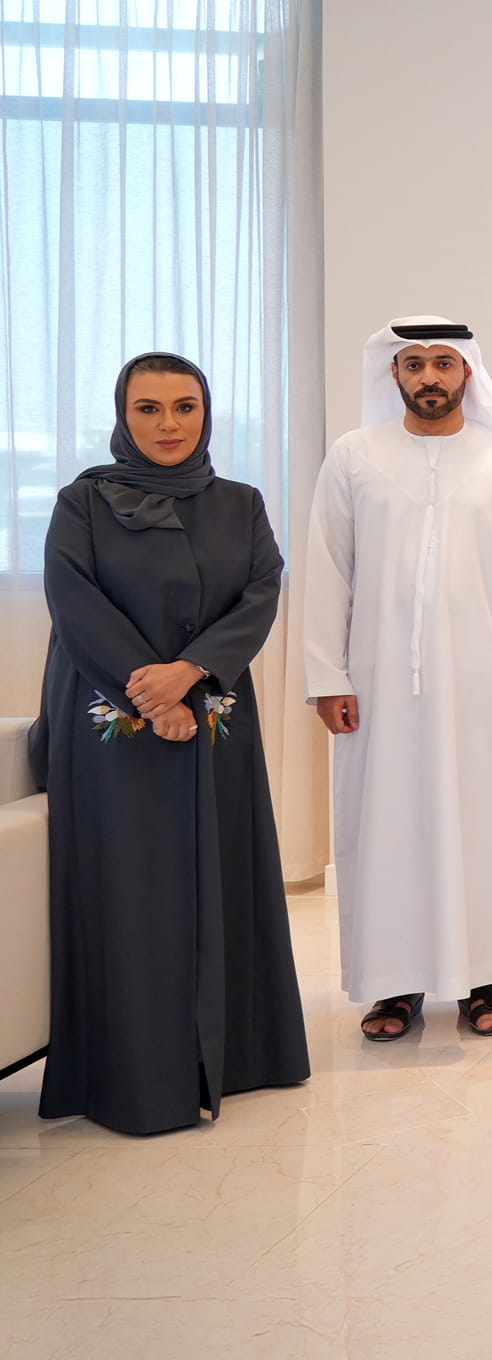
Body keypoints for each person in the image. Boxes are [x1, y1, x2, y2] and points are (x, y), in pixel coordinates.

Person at [33, 353, 309, 1134]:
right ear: (124, 417)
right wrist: (147, 695)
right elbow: (73, 600)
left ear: (206, 413)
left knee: (223, 871)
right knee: (131, 891)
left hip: (214, 710)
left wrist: (189, 674)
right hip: (107, 719)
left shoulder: (241, 504)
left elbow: (260, 594)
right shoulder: (81, 501)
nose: (168, 424)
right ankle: (135, 1077)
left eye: (184, 407)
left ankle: (239, 1057)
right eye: (148, 409)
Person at [303, 317, 492, 1043]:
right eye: (413, 364)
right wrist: (327, 676)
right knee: (386, 827)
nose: (429, 377)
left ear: (467, 372)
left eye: (443, 363)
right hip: (377, 683)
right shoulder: (354, 456)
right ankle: (394, 982)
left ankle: (482, 978)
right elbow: (328, 569)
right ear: (394, 374)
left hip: (485, 680)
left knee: (484, 826)